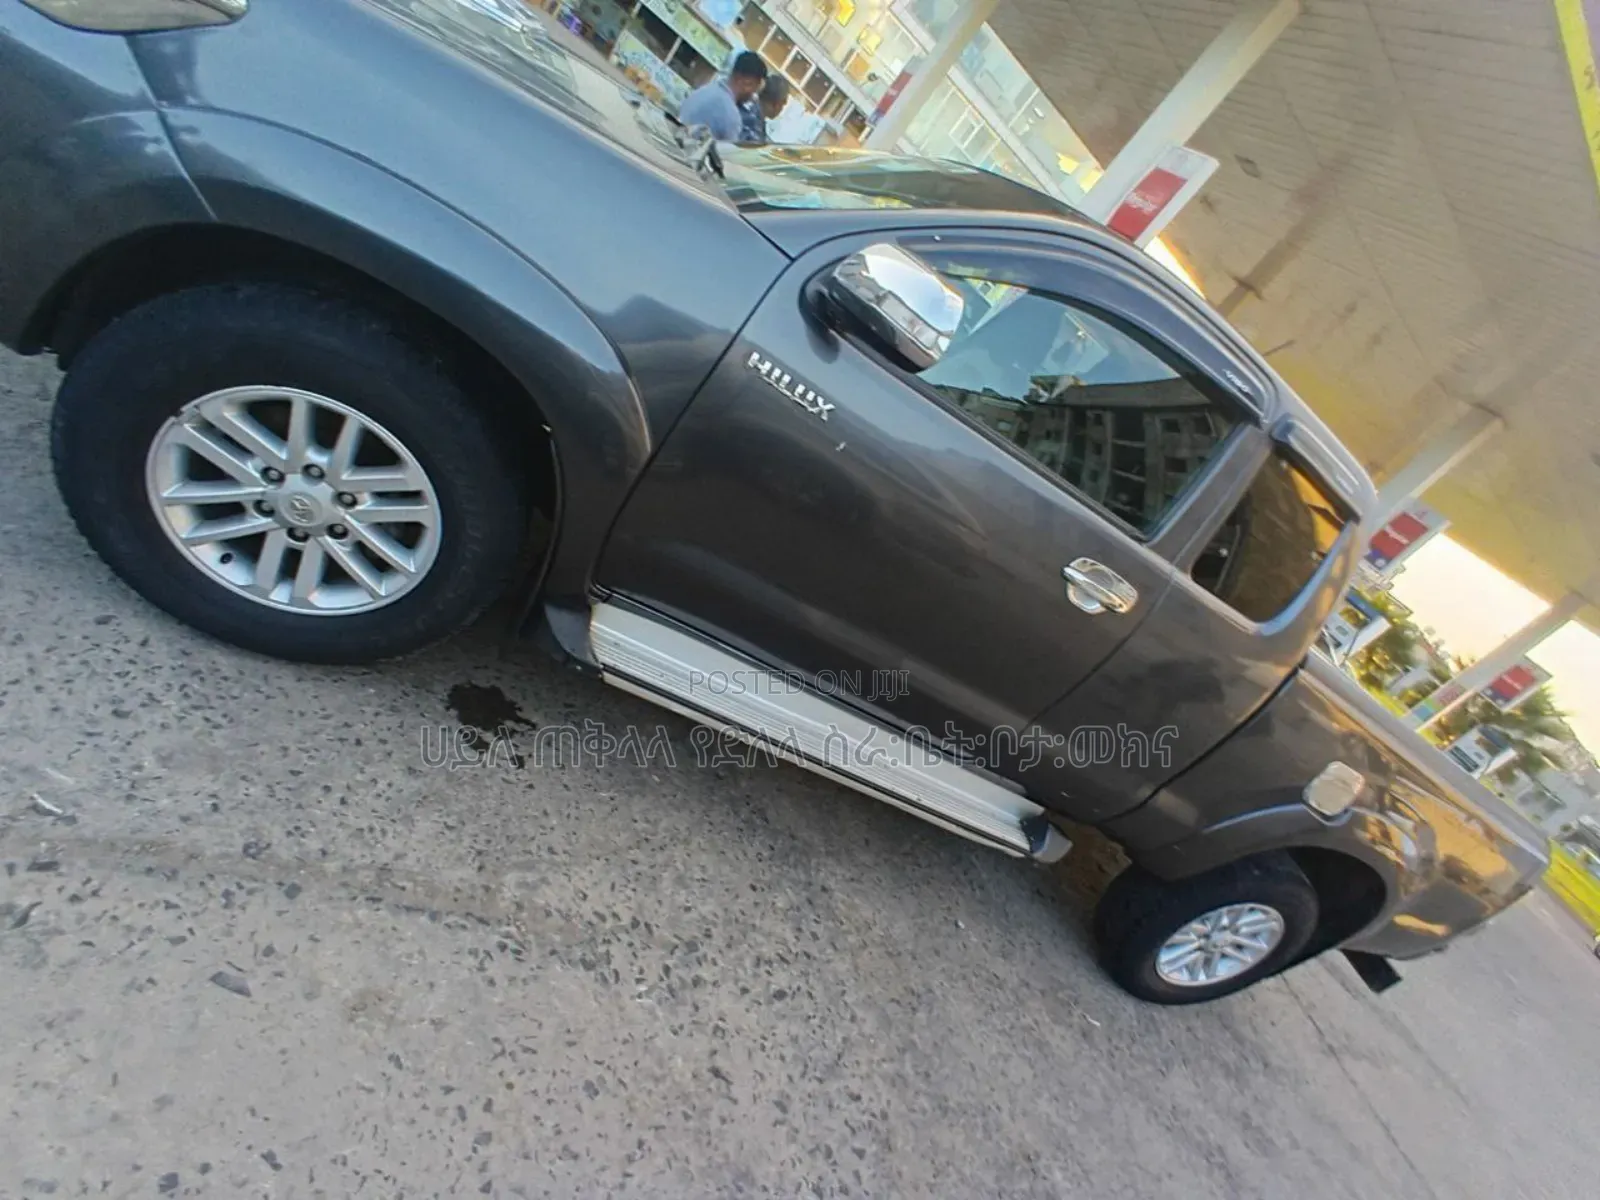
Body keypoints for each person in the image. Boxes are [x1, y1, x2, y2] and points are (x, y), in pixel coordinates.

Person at [678, 51, 767, 143]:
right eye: (754, 90)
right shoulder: (731, 116)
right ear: (746, 82)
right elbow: (727, 155)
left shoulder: (706, 89)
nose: (753, 97)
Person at [739, 74, 790, 145]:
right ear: (777, 104)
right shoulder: (753, 125)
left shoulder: (744, 104)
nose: (782, 109)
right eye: (783, 103)